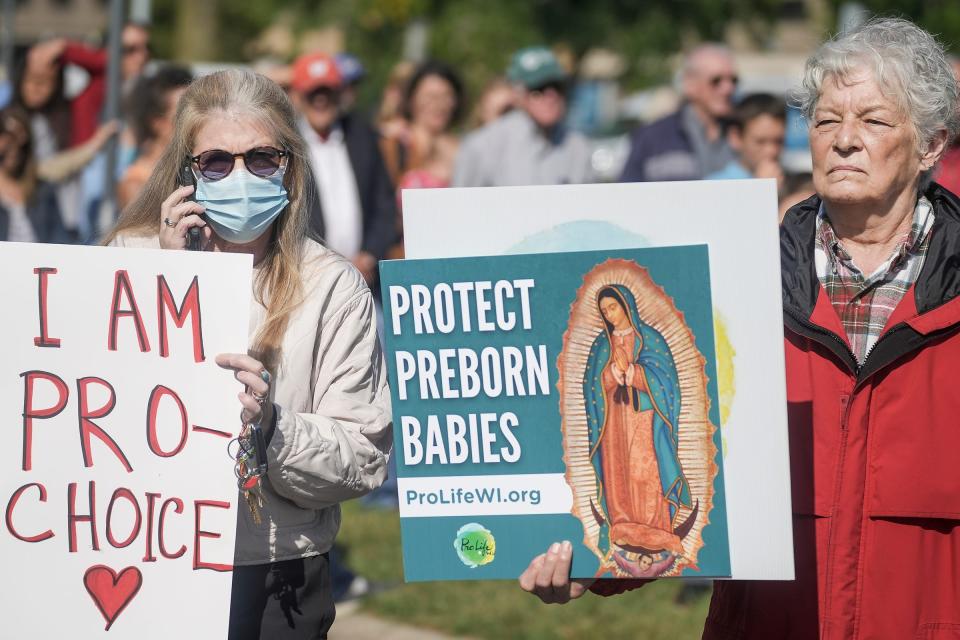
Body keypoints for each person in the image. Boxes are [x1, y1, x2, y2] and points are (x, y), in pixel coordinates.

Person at [520, 18, 960, 639]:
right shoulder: (734, 278)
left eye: (875, 121)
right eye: (827, 120)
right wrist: (590, 566)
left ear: (931, 145)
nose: (844, 140)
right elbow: (682, 472)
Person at [103, 68, 392, 639]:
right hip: (151, 556)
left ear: (290, 165)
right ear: (186, 170)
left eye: (261, 158)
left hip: (275, 572)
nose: (239, 175)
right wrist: (166, 279)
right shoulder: (125, 258)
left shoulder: (330, 285)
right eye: (216, 161)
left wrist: (272, 427)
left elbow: (362, 455)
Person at [585, 286, 690, 555]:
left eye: (613, 307)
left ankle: (656, 528)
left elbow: (667, 381)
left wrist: (633, 372)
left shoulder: (650, 339)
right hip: (612, 421)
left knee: (645, 470)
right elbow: (591, 387)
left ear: (626, 305)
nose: (609, 315)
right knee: (617, 470)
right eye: (604, 310)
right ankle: (621, 524)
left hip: (643, 417)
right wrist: (611, 373)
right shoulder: (601, 345)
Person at [289, 52, 396, 288]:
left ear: (340, 94)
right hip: (310, 281)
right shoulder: (286, 146)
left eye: (327, 92)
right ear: (297, 97)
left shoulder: (363, 137)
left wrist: (369, 255)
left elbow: (385, 204)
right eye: (313, 93)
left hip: (366, 280)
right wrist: (330, 265)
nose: (321, 100)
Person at [452, 46, 593, 187]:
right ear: (518, 93)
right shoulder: (482, 147)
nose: (551, 96)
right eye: (539, 88)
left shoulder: (578, 147)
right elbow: (462, 205)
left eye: (557, 86)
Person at [620, 44, 737, 182]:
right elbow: (628, 193)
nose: (728, 88)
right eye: (716, 81)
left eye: (733, 80)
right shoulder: (652, 137)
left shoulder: (748, 132)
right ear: (689, 84)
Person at [118, 65, 192, 209]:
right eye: (184, 116)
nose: (195, 123)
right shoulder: (137, 186)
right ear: (157, 123)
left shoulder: (196, 170)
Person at [380, 60, 463, 188]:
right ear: (411, 99)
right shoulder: (394, 144)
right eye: (430, 96)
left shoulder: (464, 149)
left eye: (446, 96)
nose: (438, 104)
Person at [0, 106, 66, 242]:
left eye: (19, 137)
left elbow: (60, 240)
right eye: (6, 135)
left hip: (40, 261)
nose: (13, 146)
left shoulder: (43, 190)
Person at [706, 93, 786, 190]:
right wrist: (762, 189)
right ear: (735, 137)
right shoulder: (714, 186)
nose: (771, 151)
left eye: (778, 141)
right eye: (760, 142)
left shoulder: (792, 183)